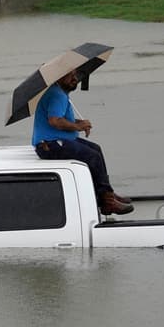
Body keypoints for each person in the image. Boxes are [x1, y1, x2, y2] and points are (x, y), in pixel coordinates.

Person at [32, 69, 133, 216]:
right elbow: (55, 121)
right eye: (70, 75)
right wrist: (78, 126)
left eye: (75, 74)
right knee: (92, 157)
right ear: (58, 77)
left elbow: (62, 119)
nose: (75, 78)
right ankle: (107, 202)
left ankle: (107, 194)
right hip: (50, 145)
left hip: (57, 141)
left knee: (96, 149)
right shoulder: (57, 94)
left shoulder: (59, 93)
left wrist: (80, 123)